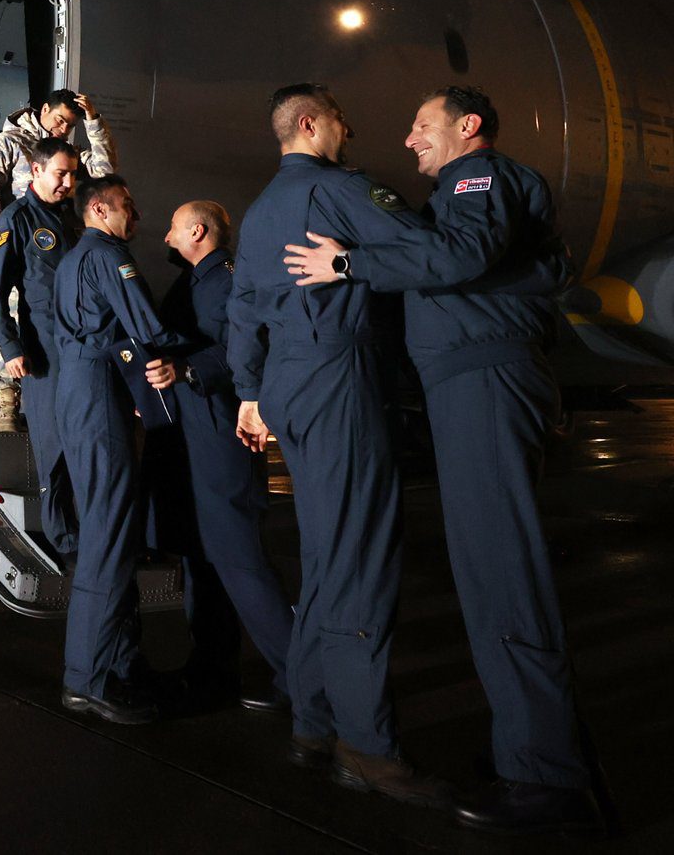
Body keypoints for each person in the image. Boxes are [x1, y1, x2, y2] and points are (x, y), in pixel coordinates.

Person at [282, 87, 602, 836]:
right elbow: (519, 261)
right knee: (493, 569)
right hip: (475, 383)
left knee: (502, 570)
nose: (408, 138)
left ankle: (547, 779)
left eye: (422, 125)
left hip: (484, 382)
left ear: (469, 126)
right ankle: (530, 751)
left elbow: (458, 254)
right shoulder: (469, 194)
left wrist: (348, 260)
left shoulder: (474, 178)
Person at [226, 83, 453, 808]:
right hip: (337, 373)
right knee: (361, 554)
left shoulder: (260, 211)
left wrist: (250, 389)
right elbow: (430, 252)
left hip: (287, 383)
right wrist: (357, 265)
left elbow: (242, 312)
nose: (349, 130)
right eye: (340, 120)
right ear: (310, 123)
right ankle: (367, 742)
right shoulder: (342, 190)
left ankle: (314, 719)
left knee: (326, 552)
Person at [140, 200, 295, 716]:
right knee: (201, 559)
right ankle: (212, 667)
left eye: (173, 227)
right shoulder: (196, 282)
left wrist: (185, 371)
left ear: (198, 231)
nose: (164, 237)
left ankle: (302, 678)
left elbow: (243, 348)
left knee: (239, 559)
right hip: (192, 440)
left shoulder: (223, 282)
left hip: (218, 441)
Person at [50, 174, 176, 724]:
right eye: (128, 204)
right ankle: (90, 680)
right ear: (100, 209)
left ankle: (120, 662)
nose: (137, 214)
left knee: (110, 533)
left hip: (79, 392)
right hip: (100, 395)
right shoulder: (107, 256)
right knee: (108, 536)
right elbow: (148, 326)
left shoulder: (74, 258)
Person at [0, 89, 118, 431]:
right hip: (15, 242)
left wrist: (94, 123)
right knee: (11, 305)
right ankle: (7, 399)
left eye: (69, 125)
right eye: (59, 120)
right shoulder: (10, 142)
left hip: (51, 247)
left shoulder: (67, 156)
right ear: (44, 109)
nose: (62, 128)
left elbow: (105, 169)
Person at [0, 138, 83, 564]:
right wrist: (10, 346)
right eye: (60, 173)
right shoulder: (17, 218)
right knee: (54, 443)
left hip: (79, 341)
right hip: (43, 346)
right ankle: (64, 540)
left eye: (73, 174)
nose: (68, 182)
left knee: (82, 437)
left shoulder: (71, 218)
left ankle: (89, 531)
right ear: (36, 171)